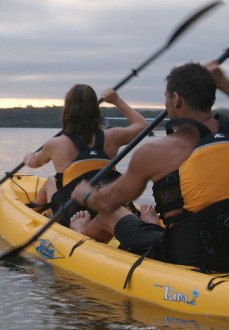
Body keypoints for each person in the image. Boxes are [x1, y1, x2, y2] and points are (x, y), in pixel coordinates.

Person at [70, 61, 229, 272]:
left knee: (111, 214)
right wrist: (223, 81)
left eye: (166, 97)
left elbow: (107, 203)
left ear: (176, 99)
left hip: (188, 259)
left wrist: (87, 194)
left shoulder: (156, 152)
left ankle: (79, 240)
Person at [21, 85, 149, 239]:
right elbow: (143, 126)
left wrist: (29, 157)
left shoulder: (56, 144)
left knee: (50, 181)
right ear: (96, 111)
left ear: (67, 111)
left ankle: (32, 213)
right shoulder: (113, 136)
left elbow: (35, 163)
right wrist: (117, 101)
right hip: (105, 208)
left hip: (71, 215)